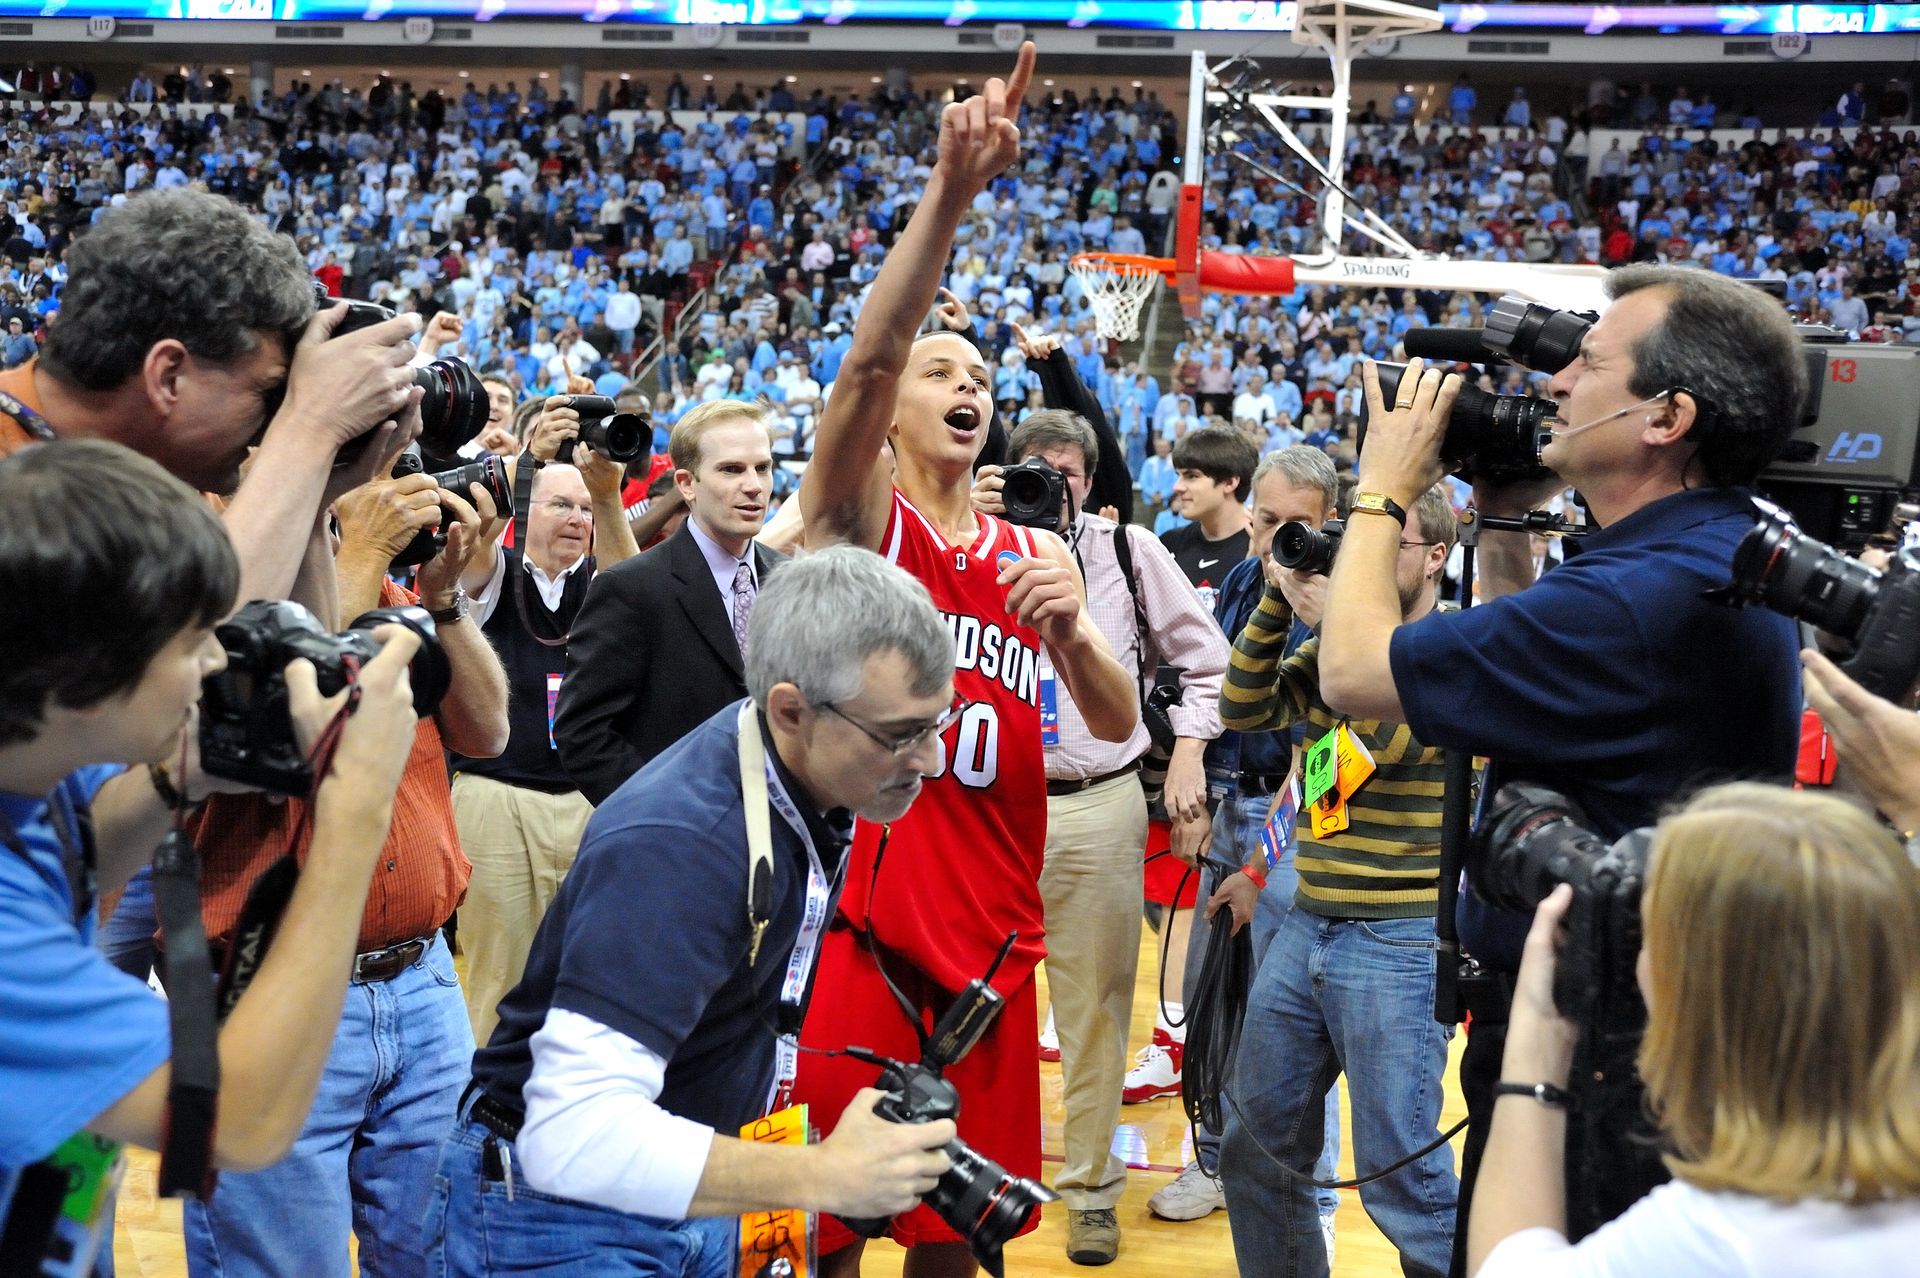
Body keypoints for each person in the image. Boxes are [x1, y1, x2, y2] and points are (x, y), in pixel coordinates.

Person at [1319, 265, 1807, 1265]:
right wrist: (1504, 520)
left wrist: (1383, 490)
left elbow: (1353, 670)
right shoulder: (1710, 553)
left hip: (1592, 1040)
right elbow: (1531, 695)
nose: (1553, 384)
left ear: (1666, 417)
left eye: (1586, 364)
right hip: (1650, 1014)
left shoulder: (1638, 595)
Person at [792, 42, 1138, 1278]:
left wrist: (1075, 633)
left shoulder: (1030, 552)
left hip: (993, 943)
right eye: (943, 371)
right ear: (894, 409)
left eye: (982, 376)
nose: (969, 386)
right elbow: (870, 358)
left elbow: (1120, 721)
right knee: (830, 1232)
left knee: (958, 1247)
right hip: (868, 930)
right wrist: (950, 194)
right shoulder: (863, 522)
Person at [425, 547, 965, 1277]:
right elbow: (570, 1136)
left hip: (688, 1167)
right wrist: (822, 1175)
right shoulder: (682, 844)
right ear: (791, 710)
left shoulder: (795, 772)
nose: (931, 760)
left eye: (939, 722)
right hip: (560, 1214)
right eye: (900, 735)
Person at [0, 441, 420, 1269]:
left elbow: (75, 858)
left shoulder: (31, 763)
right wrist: (353, 814)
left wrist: (180, 776)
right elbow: (237, 1123)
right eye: (194, 639)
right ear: (85, 684)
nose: (218, 661)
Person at [180, 454, 510, 1278]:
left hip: (423, 983)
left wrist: (440, 597)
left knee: (439, 1258)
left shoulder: (390, 597)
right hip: (270, 993)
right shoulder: (201, 608)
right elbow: (296, 728)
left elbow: (488, 731)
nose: (391, 484)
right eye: (362, 462)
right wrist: (357, 552)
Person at [1469, 784, 1920, 1276]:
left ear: (1702, 994)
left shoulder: (1724, 1232)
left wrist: (1538, 1039)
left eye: (1648, 936)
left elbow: (1504, 1268)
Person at [972, 410, 1228, 1265]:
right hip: (984, 807)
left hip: (1094, 799)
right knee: (975, 1006)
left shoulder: (1129, 549)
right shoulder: (965, 542)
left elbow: (1209, 661)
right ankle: (967, 1182)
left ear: (1090, 480)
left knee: (1093, 1015)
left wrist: (1186, 747)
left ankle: (1088, 1193)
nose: (1051, 485)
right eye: (1033, 470)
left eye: (1068, 471)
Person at [1215, 483, 1463, 1278]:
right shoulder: (1331, 647)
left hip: (1401, 937)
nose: (1366, 555)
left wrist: (1335, 626)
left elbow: (1385, 743)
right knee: (1257, 1150)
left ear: (1435, 556)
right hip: (1309, 918)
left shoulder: (1453, 649)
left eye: (1391, 540)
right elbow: (1241, 707)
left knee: (1402, 1174)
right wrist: (1276, 597)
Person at [0, 188, 423, 611]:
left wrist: (311, 500)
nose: (269, 426)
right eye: (267, 391)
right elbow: (198, 636)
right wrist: (308, 429)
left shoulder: (167, 464)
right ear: (168, 377)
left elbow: (296, 648)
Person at [1148, 448, 1344, 1231]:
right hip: (1234, 800)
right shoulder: (1240, 580)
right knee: (1214, 999)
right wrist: (1196, 785)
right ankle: (1215, 1160)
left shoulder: (1343, 600)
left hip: (1300, 820)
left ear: (1328, 523)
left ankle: (1309, 1192)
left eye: (1293, 525)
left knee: (1292, 1022)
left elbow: (1322, 755)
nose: (1272, 540)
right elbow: (1216, 694)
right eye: (1264, 521)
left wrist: (1264, 864)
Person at [446, 393, 643, 1045]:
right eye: (562, 504)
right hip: (497, 796)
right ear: (529, 510)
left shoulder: (603, 581)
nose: (577, 519)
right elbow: (472, 550)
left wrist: (606, 496)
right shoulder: (495, 571)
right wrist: (527, 464)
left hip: (591, 802)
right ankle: (484, 1108)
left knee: (594, 984)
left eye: (585, 509)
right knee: (500, 982)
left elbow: (639, 597)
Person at [554, 400, 785, 805]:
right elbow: (583, 732)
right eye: (731, 469)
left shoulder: (792, 582)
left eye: (762, 468)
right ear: (686, 483)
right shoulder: (630, 588)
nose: (753, 485)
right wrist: (664, 815)